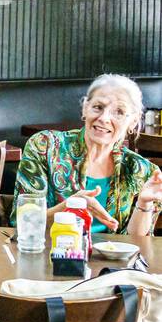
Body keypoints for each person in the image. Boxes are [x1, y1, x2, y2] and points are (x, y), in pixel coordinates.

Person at [12, 73, 162, 235]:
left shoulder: (142, 170)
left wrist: (144, 204)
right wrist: (69, 207)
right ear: (85, 108)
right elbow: (22, 223)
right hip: (50, 255)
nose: (104, 118)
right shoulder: (45, 146)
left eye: (118, 112)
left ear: (133, 121)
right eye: (98, 107)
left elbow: (136, 245)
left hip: (109, 260)